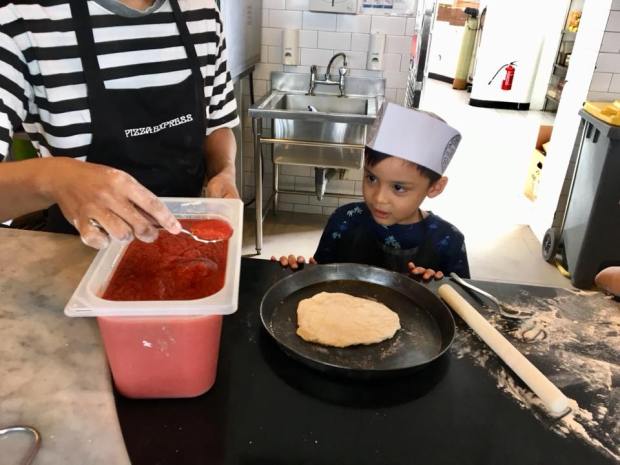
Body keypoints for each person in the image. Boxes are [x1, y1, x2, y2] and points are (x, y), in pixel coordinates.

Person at [0, 0, 239, 248]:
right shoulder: (20, 20)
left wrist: (224, 171)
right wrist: (55, 178)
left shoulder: (202, 11)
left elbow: (217, 123)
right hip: (80, 256)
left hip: (184, 243)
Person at [273, 103, 470, 280]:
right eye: (371, 178)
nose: (379, 198)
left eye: (398, 187)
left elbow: (462, 301)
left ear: (435, 187)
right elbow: (320, 278)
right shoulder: (344, 221)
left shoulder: (448, 240)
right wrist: (296, 272)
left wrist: (437, 286)